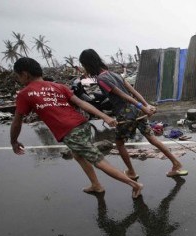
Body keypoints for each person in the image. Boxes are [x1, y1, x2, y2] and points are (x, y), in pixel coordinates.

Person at [10, 57, 143, 198]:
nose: (19, 79)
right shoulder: (58, 86)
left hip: (70, 131)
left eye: (18, 76)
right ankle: (96, 185)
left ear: (25, 74)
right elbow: (82, 103)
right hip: (83, 124)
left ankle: (135, 185)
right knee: (78, 154)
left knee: (98, 160)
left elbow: (17, 121)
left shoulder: (25, 94)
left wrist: (14, 141)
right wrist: (104, 116)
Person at [78, 49, 187, 180]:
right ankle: (176, 163)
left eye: (84, 65)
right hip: (137, 111)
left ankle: (131, 172)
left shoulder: (101, 79)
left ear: (88, 64)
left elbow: (123, 95)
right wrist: (146, 106)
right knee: (152, 139)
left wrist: (144, 106)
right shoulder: (115, 74)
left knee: (119, 143)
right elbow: (134, 91)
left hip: (125, 113)